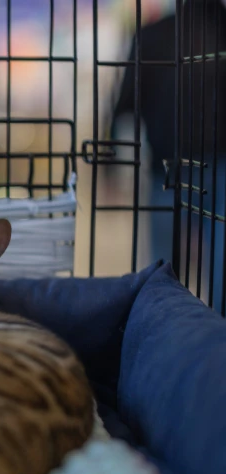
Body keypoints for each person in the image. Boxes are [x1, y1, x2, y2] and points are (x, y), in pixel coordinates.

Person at [110, 0, 226, 310]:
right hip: (215, 165)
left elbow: (125, 104)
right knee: (220, 267)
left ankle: (166, 327)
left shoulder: (152, 34)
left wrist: (109, 158)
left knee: (165, 271)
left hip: (169, 166)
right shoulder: (218, 31)